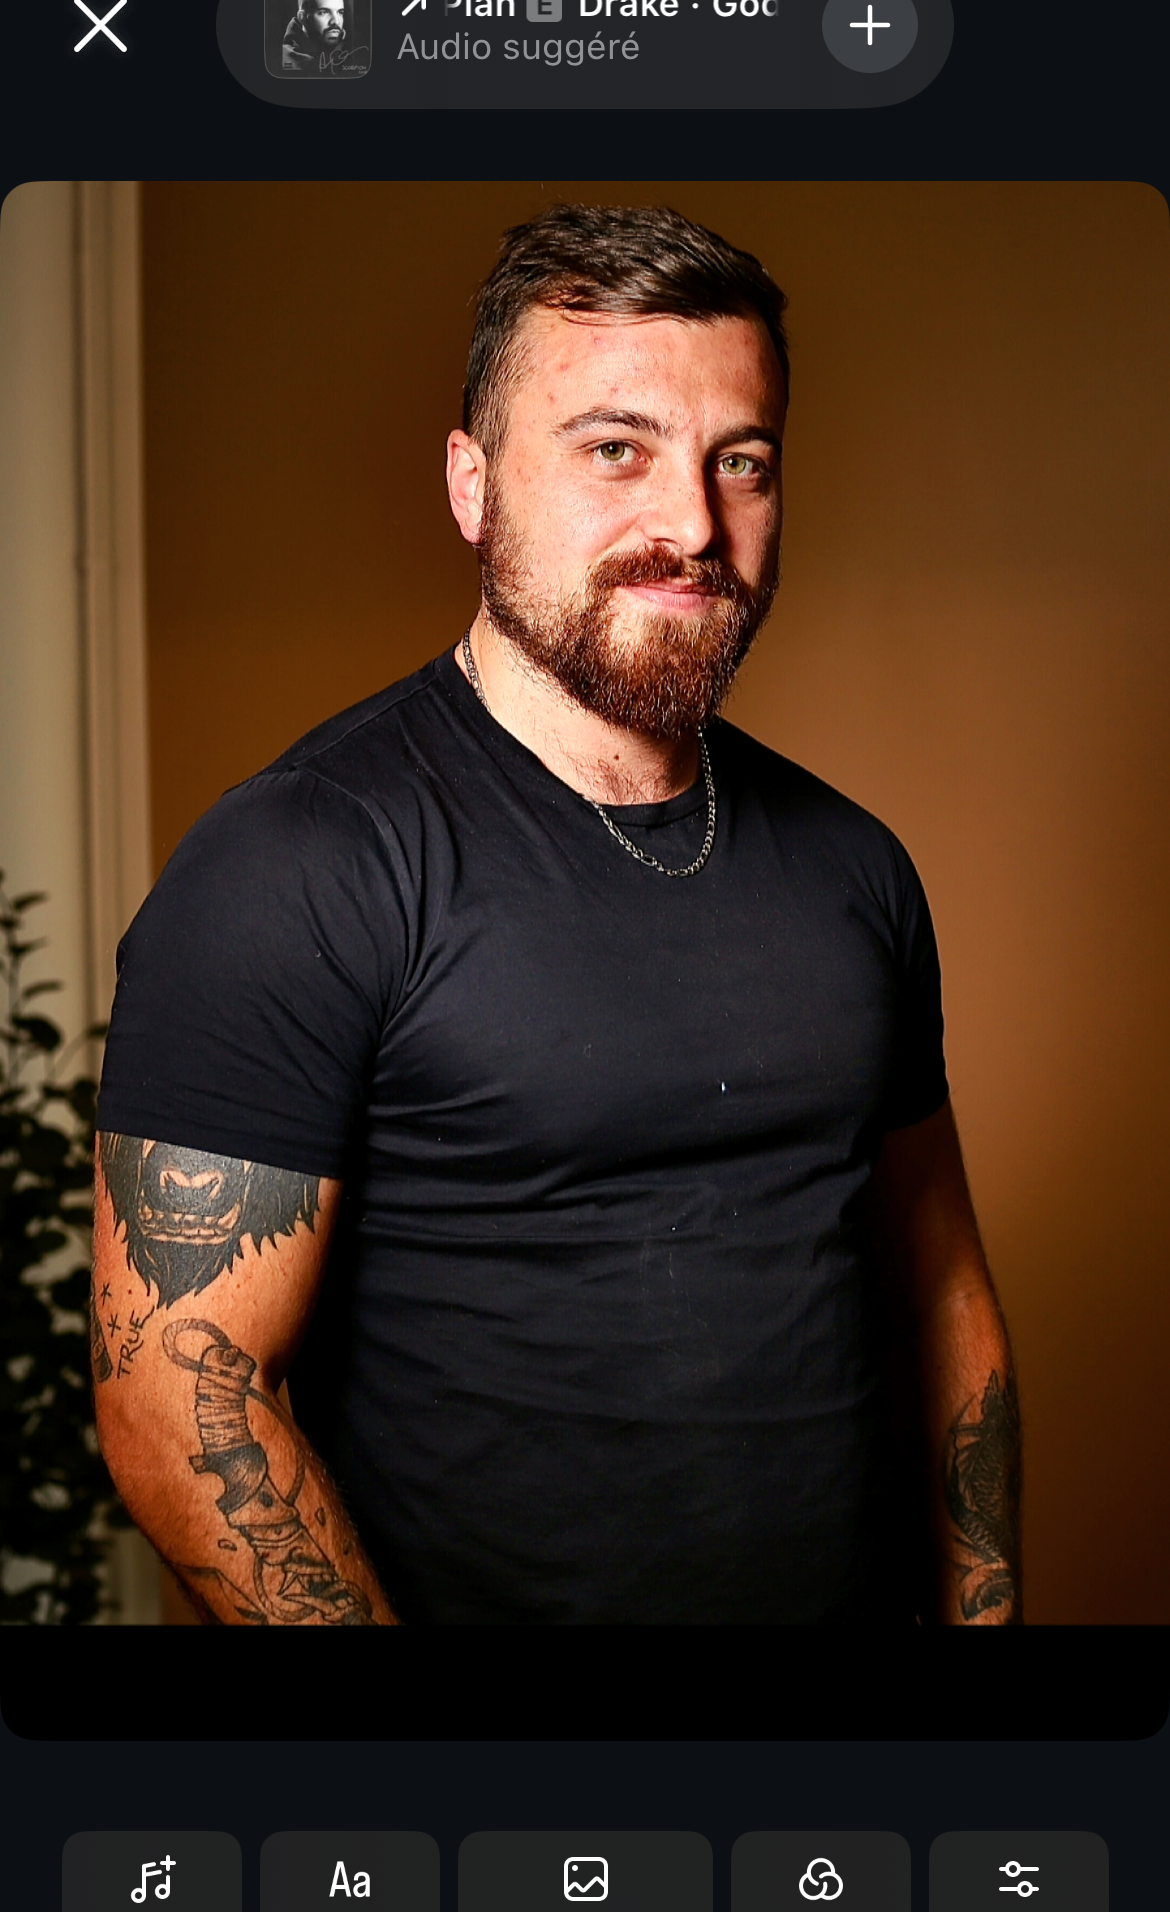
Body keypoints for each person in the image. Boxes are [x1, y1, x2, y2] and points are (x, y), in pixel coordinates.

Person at [92, 202, 1021, 1628]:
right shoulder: (297, 862)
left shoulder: (856, 869)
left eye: (741, 460)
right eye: (614, 450)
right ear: (472, 486)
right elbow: (175, 1399)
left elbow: (942, 1294)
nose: (692, 525)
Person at [280, 0, 362, 76]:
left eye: (340, 12)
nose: (336, 21)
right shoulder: (283, 60)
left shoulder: (350, 52)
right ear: (302, 17)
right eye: (323, 12)